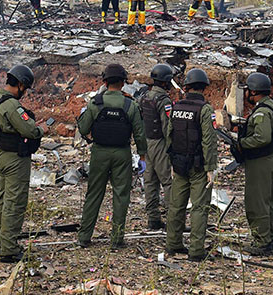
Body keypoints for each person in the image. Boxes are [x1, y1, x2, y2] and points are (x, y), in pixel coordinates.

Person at [76, 64, 147, 248]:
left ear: (105, 81)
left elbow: (83, 128)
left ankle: (84, 237)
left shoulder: (95, 103)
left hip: (99, 152)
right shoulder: (130, 104)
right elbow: (139, 133)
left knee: (93, 195)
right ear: (123, 82)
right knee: (121, 196)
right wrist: (142, 156)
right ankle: (116, 239)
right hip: (122, 153)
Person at [0, 64, 43, 262]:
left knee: (3, 200)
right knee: (15, 202)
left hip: (2, 154)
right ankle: (9, 249)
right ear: (19, 84)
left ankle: (1, 243)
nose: (25, 92)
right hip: (14, 159)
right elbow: (30, 130)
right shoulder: (11, 105)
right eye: (25, 88)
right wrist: (40, 130)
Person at [166, 68, 218, 261]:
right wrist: (210, 168)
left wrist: (171, 161)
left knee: (176, 205)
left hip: (178, 163)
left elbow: (169, 135)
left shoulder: (176, 107)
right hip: (197, 166)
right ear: (204, 87)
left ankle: (173, 244)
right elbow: (209, 141)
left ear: (187, 87)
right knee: (199, 207)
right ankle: (196, 251)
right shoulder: (205, 109)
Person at [238, 72, 273, 255]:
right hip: (270, 159)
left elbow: (262, 138)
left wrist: (241, 143)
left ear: (254, 91)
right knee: (267, 202)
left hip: (261, 161)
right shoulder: (272, 107)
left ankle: (262, 242)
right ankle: (269, 238)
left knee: (257, 203)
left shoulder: (263, 112)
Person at [140, 63, 175, 230]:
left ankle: (153, 218)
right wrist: (172, 149)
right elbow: (167, 126)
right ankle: (172, 219)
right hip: (160, 143)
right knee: (168, 182)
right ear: (165, 81)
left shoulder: (144, 97)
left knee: (150, 182)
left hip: (147, 143)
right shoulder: (164, 100)